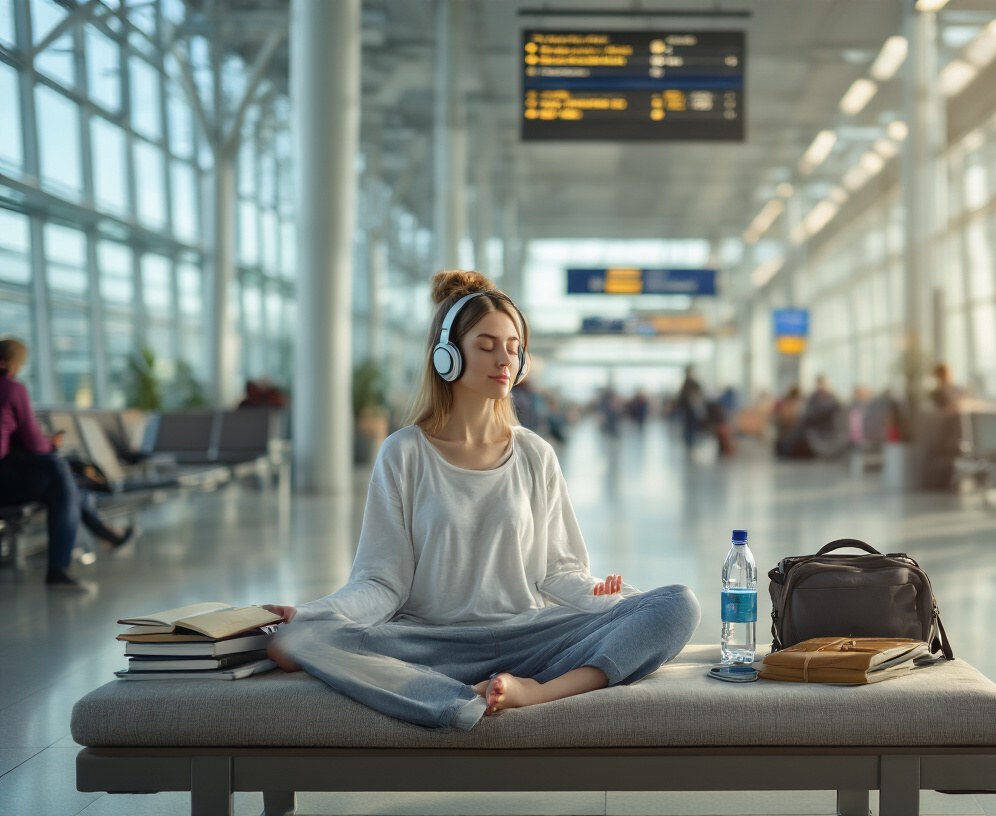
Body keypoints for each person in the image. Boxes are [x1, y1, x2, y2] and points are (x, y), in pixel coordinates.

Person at [262, 271, 700, 731]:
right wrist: (313, 612)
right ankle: (454, 698)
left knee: (678, 604)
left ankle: (532, 691)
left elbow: (558, 572)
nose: (504, 359)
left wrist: (602, 596)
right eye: (487, 345)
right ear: (448, 356)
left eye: (513, 347)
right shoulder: (404, 453)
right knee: (297, 639)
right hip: (432, 643)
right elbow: (381, 583)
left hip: (529, 636)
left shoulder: (535, 453)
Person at [0, 338, 134, 589]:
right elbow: (34, 443)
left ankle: (98, 540)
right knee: (59, 470)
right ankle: (64, 565)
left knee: (61, 482)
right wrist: (50, 442)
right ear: (12, 363)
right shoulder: (12, 389)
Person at [677, 366, 707, 450]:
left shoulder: (691, 383)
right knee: (688, 427)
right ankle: (689, 442)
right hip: (687, 410)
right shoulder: (686, 383)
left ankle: (691, 442)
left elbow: (700, 395)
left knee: (691, 427)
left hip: (692, 409)